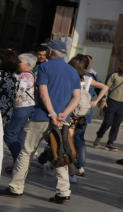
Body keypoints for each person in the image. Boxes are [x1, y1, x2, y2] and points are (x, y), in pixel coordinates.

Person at [2, 40, 81, 203]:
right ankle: (64, 191)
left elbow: (43, 93)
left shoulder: (45, 67)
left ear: (50, 52)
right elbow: (77, 97)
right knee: (59, 153)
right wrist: (63, 114)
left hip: (42, 116)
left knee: (26, 151)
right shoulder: (72, 71)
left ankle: (16, 187)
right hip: (62, 120)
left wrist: (52, 113)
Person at [66, 55, 107, 182]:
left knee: (68, 141)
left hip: (71, 114)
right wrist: (96, 101)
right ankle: (80, 165)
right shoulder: (89, 78)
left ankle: (71, 168)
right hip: (83, 115)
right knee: (79, 139)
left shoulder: (71, 77)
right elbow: (105, 87)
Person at [93, 58, 123, 150]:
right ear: (122, 66)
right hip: (111, 102)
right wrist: (104, 100)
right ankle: (98, 137)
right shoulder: (114, 76)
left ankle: (110, 143)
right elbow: (106, 88)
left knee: (116, 124)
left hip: (122, 104)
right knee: (107, 122)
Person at [4, 53, 37, 166]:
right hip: (27, 108)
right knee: (18, 136)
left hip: (21, 108)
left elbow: (18, 94)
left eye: (19, 61)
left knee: (9, 134)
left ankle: (20, 164)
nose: (17, 63)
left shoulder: (24, 76)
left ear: (27, 64)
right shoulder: (30, 75)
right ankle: (18, 164)